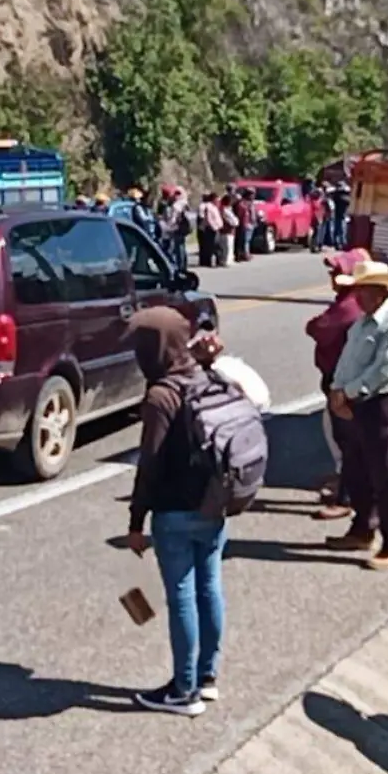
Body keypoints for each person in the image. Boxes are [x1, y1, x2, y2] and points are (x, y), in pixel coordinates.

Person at [125, 306, 227, 716]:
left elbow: (149, 466)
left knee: (181, 597)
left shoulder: (160, 396)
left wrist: (135, 522)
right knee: (210, 588)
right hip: (214, 503)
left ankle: (182, 691)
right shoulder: (204, 375)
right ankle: (207, 677)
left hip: (174, 512)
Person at [325, 260, 388, 570]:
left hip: (382, 402)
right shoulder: (363, 322)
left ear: (379, 290)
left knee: (387, 473)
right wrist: (338, 390)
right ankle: (363, 528)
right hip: (355, 400)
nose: (357, 295)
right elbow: (347, 359)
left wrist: (348, 392)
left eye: (362, 289)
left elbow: (385, 368)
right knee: (356, 467)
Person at [304, 249, 371, 522]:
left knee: (346, 440)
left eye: (337, 271)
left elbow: (318, 328)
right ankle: (345, 484)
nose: (332, 276)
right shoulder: (350, 301)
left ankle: (348, 497)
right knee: (337, 433)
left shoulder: (349, 305)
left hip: (343, 382)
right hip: (339, 379)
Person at [196, 192, 223, 268]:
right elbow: (206, 218)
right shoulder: (207, 207)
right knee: (211, 246)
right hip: (210, 229)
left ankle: (211, 261)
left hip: (214, 227)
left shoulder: (213, 207)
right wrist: (213, 227)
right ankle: (209, 262)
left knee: (213, 246)